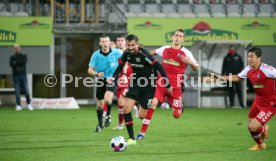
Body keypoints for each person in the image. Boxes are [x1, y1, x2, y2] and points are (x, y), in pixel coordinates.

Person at [107, 34, 172, 145]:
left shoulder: (144, 54)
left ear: (137, 44)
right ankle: (132, 139)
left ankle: (140, 103)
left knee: (142, 115)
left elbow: (159, 67)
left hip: (149, 84)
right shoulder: (126, 53)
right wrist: (113, 77)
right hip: (136, 82)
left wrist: (167, 84)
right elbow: (120, 66)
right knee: (126, 109)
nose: (131, 47)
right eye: (128, 45)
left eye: (133, 45)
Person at [136, 29, 199, 139]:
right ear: (172, 37)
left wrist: (188, 62)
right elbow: (151, 53)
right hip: (161, 83)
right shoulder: (164, 49)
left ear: (183, 39)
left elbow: (196, 67)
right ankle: (142, 133)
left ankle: (178, 106)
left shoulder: (186, 52)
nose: (177, 38)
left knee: (177, 115)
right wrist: (139, 52)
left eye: (180, 36)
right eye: (176, 35)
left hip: (175, 87)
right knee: (153, 104)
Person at [210, 47, 275, 151]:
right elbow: (237, 77)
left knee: (253, 127)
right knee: (250, 126)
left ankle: (263, 129)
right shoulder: (249, 69)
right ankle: (261, 145)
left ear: (259, 58)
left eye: (252, 57)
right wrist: (220, 77)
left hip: (270, 103)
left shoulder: (268, 70)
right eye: (248, 56)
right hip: (258, 100)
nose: (249, 59)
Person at [88, 34, 123, 132]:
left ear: (109, 42)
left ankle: (108, 115)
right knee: (99, 104)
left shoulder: (117, 52)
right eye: (102, 41)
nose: (105, 43)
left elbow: (126, 57)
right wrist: (97, 73)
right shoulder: (95, 55)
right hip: (101, 79)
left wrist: (123, 73)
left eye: (106, 41)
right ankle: (100, 125)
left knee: (107, 99)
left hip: (112, 78)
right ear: (100, 43)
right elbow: (89, 70)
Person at [9, 44, 33, 111]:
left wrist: (16, 62)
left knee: (26, 90)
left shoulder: (24, 56)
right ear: (14, 49)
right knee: (17, 91)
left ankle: (29, 104)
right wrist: (17, 63)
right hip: (16, 76)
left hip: (23, 75)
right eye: (15, 48)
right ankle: (18, 105)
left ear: (20, 48)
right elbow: (11, 64)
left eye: (18, 48)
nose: (17, 49)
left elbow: (23, 62)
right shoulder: (12, 57)